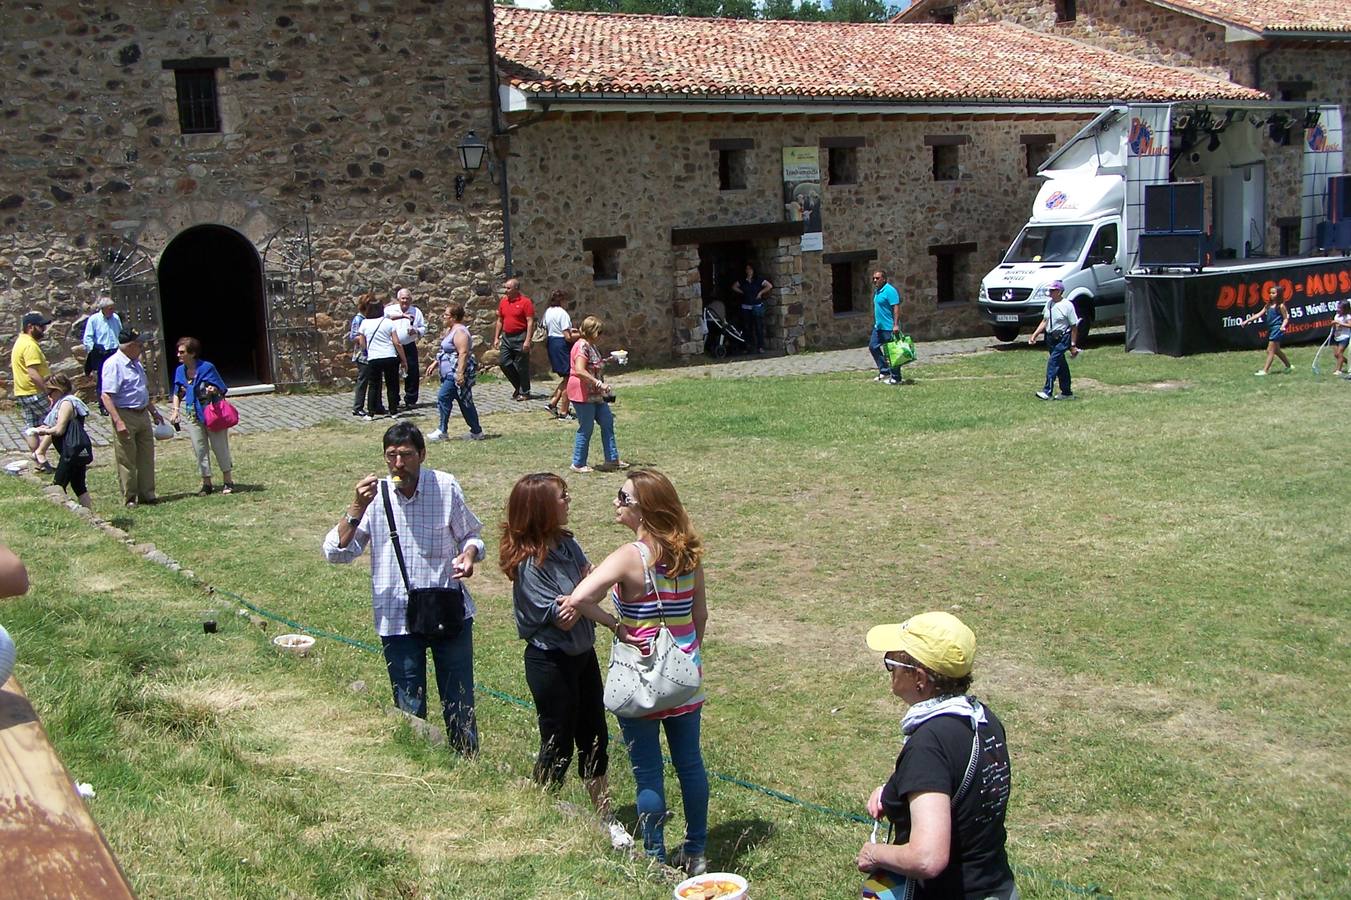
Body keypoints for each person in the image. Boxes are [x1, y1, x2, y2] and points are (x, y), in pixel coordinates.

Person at [559, 469, 709, 874]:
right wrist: (688, 653)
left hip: (640, 678)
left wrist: (614, 624)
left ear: (644, 507)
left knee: (647, 771)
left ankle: (655, 856)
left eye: (623, 497)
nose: (616, 503)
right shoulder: (689, 551)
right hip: (684, 677)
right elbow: (700, 614)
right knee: (690, 764)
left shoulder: (630, 556)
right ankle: (696, 852)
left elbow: (579, 599)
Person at [321, 422, 485, 755]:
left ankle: (468, 763)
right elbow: (336, 553)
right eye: (391, 456)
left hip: (447, 609)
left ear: (422, 455)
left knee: (460, 697)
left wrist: (468, 555)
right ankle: (421, 759)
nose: (399, 464)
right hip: (397, 617)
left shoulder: (445, 486)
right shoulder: (375, 498)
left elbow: (472, 537)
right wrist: (355, 509)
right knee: (409, 701)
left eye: (407, 455)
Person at [498, 472, 634, 851]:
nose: (568, 500)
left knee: (594, 736)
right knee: (557, 740)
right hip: (549, 663)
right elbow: (568, 611)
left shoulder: (567, 545)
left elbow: (589, 591)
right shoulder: (529, 565)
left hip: (582, 656)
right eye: (562, 496)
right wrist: (592, 601)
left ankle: (605, 817)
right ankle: (541, 806)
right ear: (541, 507)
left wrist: (596, 600)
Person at [858, 611, 1017, 900]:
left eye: (891, 663)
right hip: (998, 887)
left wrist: (874, 853)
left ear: (919, 678)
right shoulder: (982, 719)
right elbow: (958, 788)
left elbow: (926, 858)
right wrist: (893, 792)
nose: (889, 670)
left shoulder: (929, 746)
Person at [100, 328, 165, 508]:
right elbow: (106, 396)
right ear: (130, 346)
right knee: (127, 458)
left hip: (142, 413)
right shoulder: (114, 364)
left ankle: (148, 494)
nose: (142, 348)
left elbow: (141, 391)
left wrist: (153, 412)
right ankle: (130, 498)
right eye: (139, 344)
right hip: (125, 414)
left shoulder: (135, 363)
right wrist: (118, 421)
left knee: (146, 455)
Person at [170, 336, 235, 495]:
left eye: (182, 352)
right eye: (178, 352)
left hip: (211, 413)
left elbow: (221, 388)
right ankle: (207, 483)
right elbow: (177, 392)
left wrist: (214, 390)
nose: (178, 355)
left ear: (192, 353)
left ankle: (228, 480)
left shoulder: (207, 368)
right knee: (200, 449)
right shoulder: (180, 371)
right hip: (193, 414)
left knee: (219, 447)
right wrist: (176, 410)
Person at [566, 316, 627, 474]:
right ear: (591, 331)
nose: (601, 335)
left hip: (596, 394)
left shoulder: (591, 346)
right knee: (586, 427)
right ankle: (578, 463)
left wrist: (610, 360)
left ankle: (612, 459)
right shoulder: (581, 347)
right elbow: (579, 370)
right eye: (599, 332)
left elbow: (593, 364)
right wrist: (598, 383)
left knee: (607, 422)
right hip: (583, 393)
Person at [424, 302, 485, 442]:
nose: (443, 317)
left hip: (455, 373)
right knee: (465, 403)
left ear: (454, 317)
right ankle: (476, 431)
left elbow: (463, 353)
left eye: (446, 315)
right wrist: (435, 363)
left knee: (443, 397)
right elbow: (445, 351)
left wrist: (459, 374)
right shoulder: (450, 330)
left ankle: (442, 430)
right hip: (448, 373)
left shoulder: (460, 332)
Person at [34, 374, 93, 509]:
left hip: (70, 452)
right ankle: (90, 515)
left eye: (50, 392)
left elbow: (60, 429)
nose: (48, 396)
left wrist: (43, 432)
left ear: (59, 390)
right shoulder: (64, 402)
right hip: (74, 450)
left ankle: (66, 513)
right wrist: (46, 427)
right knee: (79, 486)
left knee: (58, 486)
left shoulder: (66, 403)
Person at [11, 311, 52, 470]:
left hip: (22, 392)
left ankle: (39, 464)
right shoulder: (30, 345)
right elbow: (33, 372)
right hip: (34, 392)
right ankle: (39, 453)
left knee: (32, 427)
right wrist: (47, 390)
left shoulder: (20, 342)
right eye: (41, 326)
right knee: (55, 421)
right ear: (30, 327)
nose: (44, 330)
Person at [1027, 280, 1079, 401]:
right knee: (1061, 365)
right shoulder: (1049, 304)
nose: (1050, 292)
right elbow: (1045, 321)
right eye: (1050, 290)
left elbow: (1074, 326)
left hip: (1063, 337)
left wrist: (1073, 344)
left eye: (1053, 290)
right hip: (1051, 337)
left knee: (1053, 362)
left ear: (1060, 291)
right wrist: (1034, 335)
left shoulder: (1067, 305)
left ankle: (1047, 391)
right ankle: (1066, 392)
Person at [357, 296, 407, 419]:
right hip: (389, 355)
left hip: (374, 357)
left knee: (373, 384)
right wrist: (403, 360)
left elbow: (362, 342)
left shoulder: (365, 323)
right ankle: (393, 410)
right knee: (392, 384)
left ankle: (370, 412)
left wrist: (367, 351)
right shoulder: (388, 322)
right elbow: (397, 342)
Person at [492, 278, 536, 401]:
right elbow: (500, 320)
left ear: (516, 289)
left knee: (522, 365)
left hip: (520, 336)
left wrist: (527, 340)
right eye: (505, 288)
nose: (505, 291)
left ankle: (524, 392)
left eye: (508, 288)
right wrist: (496, 337)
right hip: (507, 336)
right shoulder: (503, 302)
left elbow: (530, 321)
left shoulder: (525, 302)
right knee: (504, 362)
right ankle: (519, 386)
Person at [387, 287, 426, 409]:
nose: (405, 301)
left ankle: (411, 398)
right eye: (403, 298)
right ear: (398, 299)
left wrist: (416, 331)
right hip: (392, 345)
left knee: (412, 371)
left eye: (408, 299)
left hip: (409, 345)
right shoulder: (389, 309)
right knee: (392, 373)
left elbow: (423, 328)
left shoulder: (416, 311)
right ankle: (395, 399)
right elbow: (383, 319)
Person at [82, 295, 121, 415]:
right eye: (110, 308)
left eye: (112, 308)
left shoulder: (115, 318)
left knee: (117, 377)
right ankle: (103, 405)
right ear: (103, 309)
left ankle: (117, 402)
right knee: (103, 380)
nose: (112, 310)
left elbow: (119, 332)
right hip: (101, 353)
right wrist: (93, 349)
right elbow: (88, 337)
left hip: (114, 351)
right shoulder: (94, 320)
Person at [1240, 285, 1292, 376]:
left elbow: (1285, 318)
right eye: (1270, 293)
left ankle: (1265, 371)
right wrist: (1247, 321)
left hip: (1277, 328)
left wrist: (1283, 326)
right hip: (1271, 328)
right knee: (1277, 350)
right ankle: (1289, 366)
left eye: (1273, 293)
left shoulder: (1281, 306)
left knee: (1270, 350)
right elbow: (1259, 314)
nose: (1271, 295)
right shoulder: (1268, 305)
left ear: (1278, 294)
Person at [542, 289, 577, 419]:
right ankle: (564, 411)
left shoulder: (548, 312)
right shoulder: (563, 314)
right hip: (561, 345)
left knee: (566, 378)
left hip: (552, 343)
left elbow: (548, 327)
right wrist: (582, 335)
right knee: (569, 378)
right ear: (562, 300)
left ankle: (553, 403)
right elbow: (567, 336)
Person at [868, 271, 903, 385]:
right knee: (873, 346)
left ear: (884, 279)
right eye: (873, 278)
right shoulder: (878, 291)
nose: (875, 280)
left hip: (889, 328)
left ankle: (896, 378)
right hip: (878, 327)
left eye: (877, 278)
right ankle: (884, 370)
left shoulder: (890, 291)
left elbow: (896, 308)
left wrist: (896, 324)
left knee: (892, 352)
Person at [732, 263, 772, 354]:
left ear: (753, 270)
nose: (748, 271)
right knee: (747, 328)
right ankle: (748, 346)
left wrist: (760, 293)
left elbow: (769, 286)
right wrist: (742, 292)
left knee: (758, 327)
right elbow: (734, 286)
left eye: (750, 269)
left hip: (756, 307)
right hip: (746, 307)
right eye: (747, 269)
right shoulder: (742, 281)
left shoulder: (758, 280)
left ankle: (760, 347)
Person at [350, 295, 373, 417]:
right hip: (363, 355)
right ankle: (358, 407)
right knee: (363, 381)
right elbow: (353, 336)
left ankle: (375, 405)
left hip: (374, 354)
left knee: (375, 381)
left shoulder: (371, 318)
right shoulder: (359, 319)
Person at [1332, 299, 1351, 377]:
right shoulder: (1336, 315)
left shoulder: (1347, 317)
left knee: (1340, 353)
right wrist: (1333, 325)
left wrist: (1340, 323)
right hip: (1337, 337)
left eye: (1340, 308)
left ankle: (1338, 370)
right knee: (1336, 354)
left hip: (1344, 337)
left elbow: (1350, 325)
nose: (1338, 309)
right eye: (1338, 307)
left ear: (1345, 309)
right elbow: (1335, 325)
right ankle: (1347, 362)